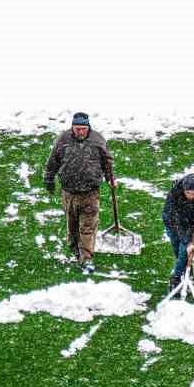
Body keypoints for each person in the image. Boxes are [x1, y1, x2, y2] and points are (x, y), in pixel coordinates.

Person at [43, 111, 115, 273]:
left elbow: (107, 161)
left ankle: (87, 258)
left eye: (83, 128)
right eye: (77, 129)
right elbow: (53, 160)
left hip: (90, 192)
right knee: (72, 226)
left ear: (88, 127)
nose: (80, 132)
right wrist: (49, 178)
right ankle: (76, 250)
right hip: (69, 192)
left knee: (87, 227)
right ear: (72, 128)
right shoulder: (63, 139)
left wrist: (111, 178)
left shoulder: (97, 140)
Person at [161, 173, 194, 288]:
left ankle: (176, 278)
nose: (191, 196)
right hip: (172, 220)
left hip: (190, 217)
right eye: (188, 193)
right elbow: (177, 222)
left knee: (183, 251)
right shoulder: (175, 194)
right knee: (179, 248)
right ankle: (185, 272)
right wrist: (187, 242)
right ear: (184, 190)